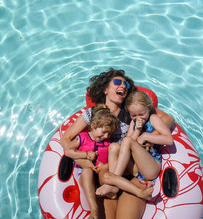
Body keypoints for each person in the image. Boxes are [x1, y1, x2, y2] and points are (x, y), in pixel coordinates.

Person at [60, 68, 175, 219]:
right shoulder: (92, 114)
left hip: (130, 173)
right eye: (117, 82)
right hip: (103, 176)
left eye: (126, 84)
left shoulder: (131, 112)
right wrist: (83, 160)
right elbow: (65, 139)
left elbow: (168, 119)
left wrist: (147, 138)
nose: (123, 86)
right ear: (105, 89)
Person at [65, 104, 152, 219]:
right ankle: (94, 208)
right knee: (86, 171)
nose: (106, 136)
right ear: (93, 125)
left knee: (107, 175)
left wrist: (105, 167)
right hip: (87, 173)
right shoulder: (82, 138)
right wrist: (85, 155)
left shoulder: (108, 143)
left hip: (101, 175)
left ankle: (138, 192)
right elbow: (68, 151)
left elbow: (113, 161)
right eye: (104, 132)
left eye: (109, 134)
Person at [95, 91, 174, 198]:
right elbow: (126, 145)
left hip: (151, 167)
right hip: (137, 167)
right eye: (133, 115)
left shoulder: (153, 118)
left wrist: (145, 136)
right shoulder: (134, 123)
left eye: (141, 114)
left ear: (148, 108)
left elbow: (169, 140)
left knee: (127, 141)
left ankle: (112, 183)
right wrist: (137, 130)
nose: (138, 118)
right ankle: (114, 187)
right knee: (113, 146)